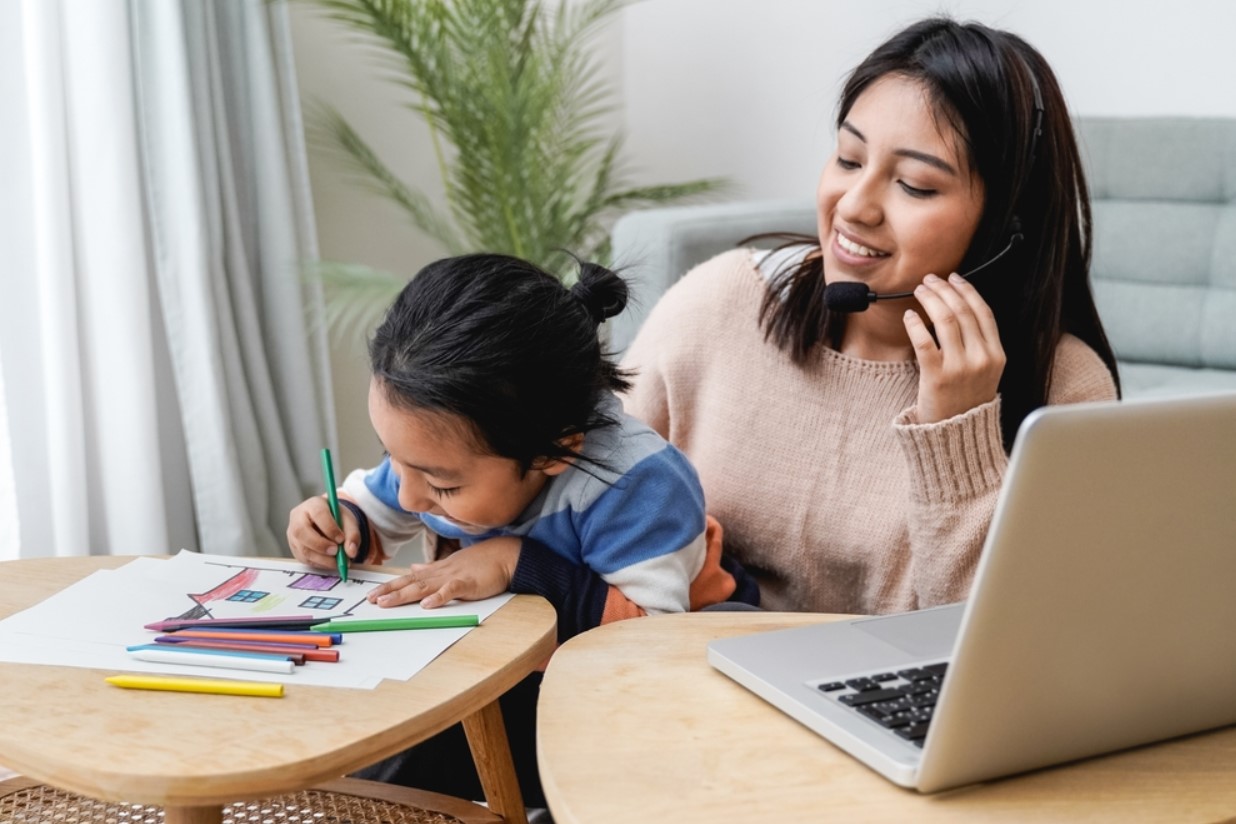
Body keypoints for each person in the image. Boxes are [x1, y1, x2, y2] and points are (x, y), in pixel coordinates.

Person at [620, 16, 1121, 617]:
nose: (854, 207)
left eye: (913, 185)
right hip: (672, 681)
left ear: (1003, 231)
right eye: (849, 158)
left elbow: (1004, 652)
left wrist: (958, 431)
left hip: (895, 704)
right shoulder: (721, 302)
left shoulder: (1065, 387)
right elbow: (573, 488)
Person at [286, 252, 757, 805]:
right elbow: (380, 509)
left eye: (441, 487)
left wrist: (515, 561)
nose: (411, 496)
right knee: (382, 756)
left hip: (661, 681)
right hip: (525, 671)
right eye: (394, 457)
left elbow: (643, 642)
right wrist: (340, 523)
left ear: (553, 452)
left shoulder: (639, 486)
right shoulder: (440, 455)